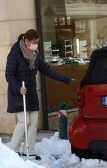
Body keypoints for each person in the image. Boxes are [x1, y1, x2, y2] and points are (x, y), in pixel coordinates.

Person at [5, 29, 72, 159]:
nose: (36, 45)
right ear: (26, 40)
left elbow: (46, 69)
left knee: (33, 121)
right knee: (24, 120)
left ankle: (28, 150)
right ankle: (13, 149)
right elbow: (9, 75)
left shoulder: (34, 54)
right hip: (19, 93)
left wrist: (65, 79)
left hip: (31, 93)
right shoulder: (15, 53)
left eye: (37, 43)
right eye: (34, 42)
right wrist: (18, 88)